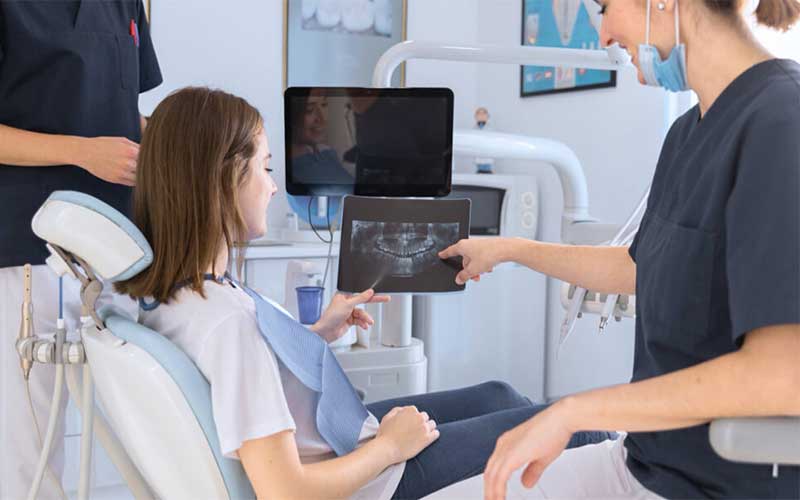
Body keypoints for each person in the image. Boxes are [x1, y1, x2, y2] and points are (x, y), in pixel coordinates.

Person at [114, 87, 614, 500]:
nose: (272, 187)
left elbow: (248, 372)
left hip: (347, 438)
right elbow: (285, 491)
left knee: (501, 395)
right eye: (265, 168)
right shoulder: (227, 325)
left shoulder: (186, 295)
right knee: (582, 429)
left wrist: (315, 335)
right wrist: (390, 448)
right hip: (373, 478)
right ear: (224, 179)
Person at [439, 0, 800, 498]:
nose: (604, 34)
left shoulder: (783, 123)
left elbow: (784, 375)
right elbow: (638, 266)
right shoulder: (686, 132)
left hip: (715, 486)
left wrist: (573, 411)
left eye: (606, 7)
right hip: (643, 461)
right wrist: (510, 249)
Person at [0, 1, 162, 498]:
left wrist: (186, 140)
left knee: (135, 438)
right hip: (32, 253)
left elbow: (121, 112)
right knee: (34, 446)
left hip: (120, 250)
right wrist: (81, 151)